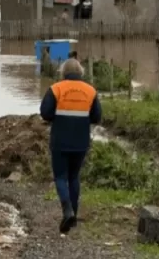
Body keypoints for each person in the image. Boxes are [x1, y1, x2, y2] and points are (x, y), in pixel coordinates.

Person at [39, 58, 101, 234]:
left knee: (60, 177)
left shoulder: (56, 89)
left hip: (60, 141)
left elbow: (45, 113)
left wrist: (58, 118)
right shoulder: (91, 91)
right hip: (81, 142)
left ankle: (67, 211)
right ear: (81, 72)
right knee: (74, 177)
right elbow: (96, 117)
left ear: (63, 72)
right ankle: (73, 214)